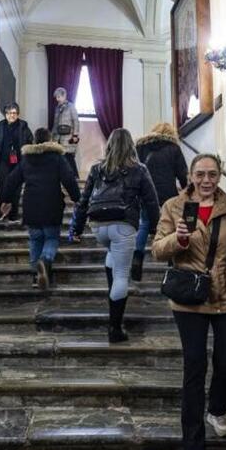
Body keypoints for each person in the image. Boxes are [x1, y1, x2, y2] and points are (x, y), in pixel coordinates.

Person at [151, 153, 226, 450]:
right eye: (200, 174)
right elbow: (157, 249)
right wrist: (177, 240)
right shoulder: (174, 206)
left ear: (220, 175)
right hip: (190, 296)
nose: (207, 180)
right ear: (190, 175)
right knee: (194, 367)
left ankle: (217, 410)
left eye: (213, 173)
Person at [71, 128, 159, 343]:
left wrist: (76, 228)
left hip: (99, 226)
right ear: (131, 146)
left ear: (110, 145)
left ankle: (114, 302)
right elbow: (151, 202)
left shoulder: (96, 169)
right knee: (121, 276)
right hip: (123, 224)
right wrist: (156, 228)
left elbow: (83, 201)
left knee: (113, 255)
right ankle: (115, 328)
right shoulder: (139, 169)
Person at [1, 128, 80, 289]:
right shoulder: (57, 158)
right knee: (51, 238)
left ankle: (36, 277)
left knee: (35, 239)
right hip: (51, 204)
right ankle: (45, 260)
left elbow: (11, 180)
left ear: (35, 141)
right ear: (50, 140)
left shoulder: (26, 159)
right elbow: (69, 179)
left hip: (31, 205)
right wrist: (77, 198)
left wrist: (6, 200)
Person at [133, 122, 188, 281]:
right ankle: (171, 263)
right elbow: (182, 174)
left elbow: (135, 171)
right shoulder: (173, 148)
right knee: (170, 226)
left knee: (144, 223)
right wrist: (186, 191)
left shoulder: (141, 147)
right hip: (168, 193)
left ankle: (137, 258)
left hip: (145, 192)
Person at [51, 87, 80, 178]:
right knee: (59, 156)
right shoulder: (57, 108)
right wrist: (52, 136)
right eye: (56, 97)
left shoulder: (71, 106)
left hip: (68, 136)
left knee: (69, 156)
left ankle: (75, 176)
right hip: (58, 136)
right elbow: (55, 123)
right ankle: (62, 176)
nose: (57, 99)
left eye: (59, 97)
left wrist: (75, 135)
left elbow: (76, 121)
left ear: (64, 95)